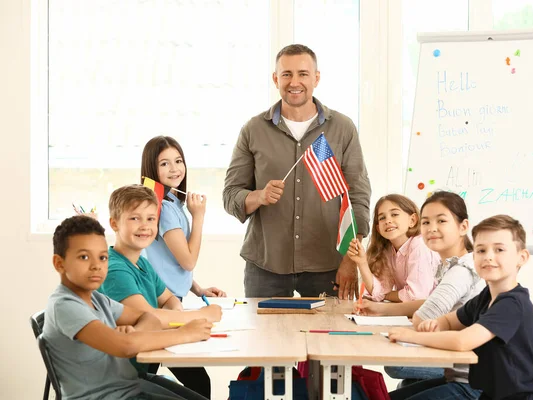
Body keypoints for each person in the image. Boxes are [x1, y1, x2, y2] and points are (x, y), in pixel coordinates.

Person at [223, 44, 371, 299]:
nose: (294, 81)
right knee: (265, 338)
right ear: (275, 79)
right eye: (286, 74)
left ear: (316, 78)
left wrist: (350, 261)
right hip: (266, 265)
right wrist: (259, 196)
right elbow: (230, 195)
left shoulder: (342, 128)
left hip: (329, 263)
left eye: (303, 74)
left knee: (329, 338)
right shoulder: (254, 129)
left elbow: (357, 197)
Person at [44, 215, 210, 400]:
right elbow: (126, 347)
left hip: (129, 386)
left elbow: (149, 319)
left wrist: (134, 333)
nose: (96, 266)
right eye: (84, 257)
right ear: (60, 263)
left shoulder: (98, 300)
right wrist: (185, 333)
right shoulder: (65, 306)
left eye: (102, 257)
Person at [387, 215, 533, 400]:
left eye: (499, 249)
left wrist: (414, 337)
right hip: (488, 393)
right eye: (481, 250)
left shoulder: (513, 303)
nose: (488, 256)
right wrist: (436, 324)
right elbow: (451, 320)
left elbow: (462, 341)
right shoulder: (487, 296)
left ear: (521, 257)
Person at [99, 184, 222, 399]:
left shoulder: (142, 264)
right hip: (116, 382)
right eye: (134, 218)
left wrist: (173, 316)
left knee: (200, 383)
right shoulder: (114, 269)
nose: (144, 226)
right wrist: (202, 315)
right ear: (114, 224)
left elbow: (169, 299)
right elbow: (148, 314)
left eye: (150, 218)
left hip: (138, 369)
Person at [354, 191, 485, 387]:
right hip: (452, 353)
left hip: (465, 369)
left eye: (441, 221)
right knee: (399, 378)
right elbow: (429, 306)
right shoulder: (448, 266)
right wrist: (380, 308)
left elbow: (424, 314)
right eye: (426, 223)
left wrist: (411, 325)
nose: (432, 229)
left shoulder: (462, 269)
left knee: (397, 365)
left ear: (463, 227)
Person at [141, 135, 226, 301]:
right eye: (164, 163)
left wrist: (198, 289)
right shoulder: (165, 208)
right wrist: (198, 217)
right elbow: (188, 262)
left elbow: (169, 261)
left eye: (178, 161)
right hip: (164, 300)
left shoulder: (171, 202)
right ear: (151, 168)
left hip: (167, 296)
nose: (174, 169)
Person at [346, 194, 439, 302]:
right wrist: (362, 263)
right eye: (382, 218)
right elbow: (377, 291)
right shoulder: (388, 251)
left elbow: (415, 296)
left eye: (394, 214)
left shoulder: (419, 244)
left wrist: (386, 296)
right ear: (378, 228)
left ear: (412, 220)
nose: (388, 221)